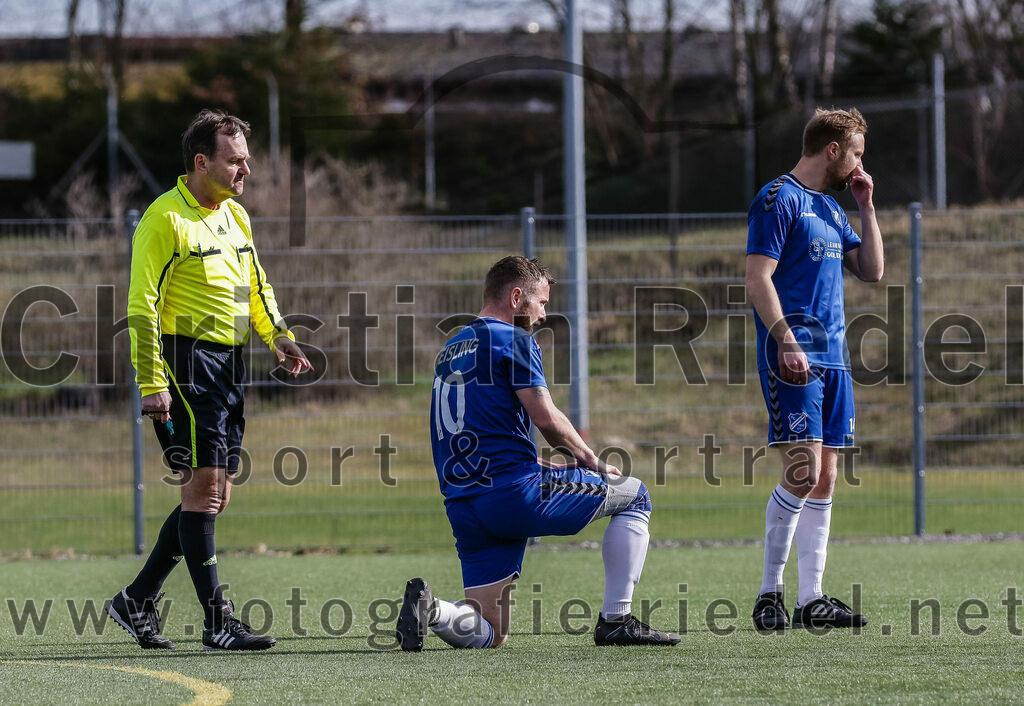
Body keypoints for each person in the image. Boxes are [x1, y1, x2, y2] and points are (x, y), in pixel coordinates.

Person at [396, 256, 679, 650]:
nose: (544, 315)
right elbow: (546, 419)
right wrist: (590, 459)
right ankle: (616, 620)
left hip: (464, 503)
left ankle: (433, 610)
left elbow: (472, 433)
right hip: (514, 495)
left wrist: (538, 463)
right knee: (636, 496)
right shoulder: (512, 339)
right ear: (516, 297)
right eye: (542, 303)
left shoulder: (451, 349)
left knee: (492, 633)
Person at [108, 109, 312, 651]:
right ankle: (218, 620)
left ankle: (136, 599)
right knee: (203, 490)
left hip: (229, 364)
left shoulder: (235, 217)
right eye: (235, 160)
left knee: (215, 494)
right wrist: (153, 381)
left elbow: (256, 286)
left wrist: (278, 335)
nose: (246, 170)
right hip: (184, 363)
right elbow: (141, 305)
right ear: (202, 162)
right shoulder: (163, 218)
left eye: (246, 159)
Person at [746, 107, 883, 630]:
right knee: (801, 471)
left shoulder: (830, 207)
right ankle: (769, 594)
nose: (860, 164)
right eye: (857, 154)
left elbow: (871, 270)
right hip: (794, 353)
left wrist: (866, 208)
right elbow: (758, 278)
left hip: (835, 358)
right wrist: (784, 339)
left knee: (825, 476)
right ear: (833, 151)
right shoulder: (779, 198)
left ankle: (812, 600)